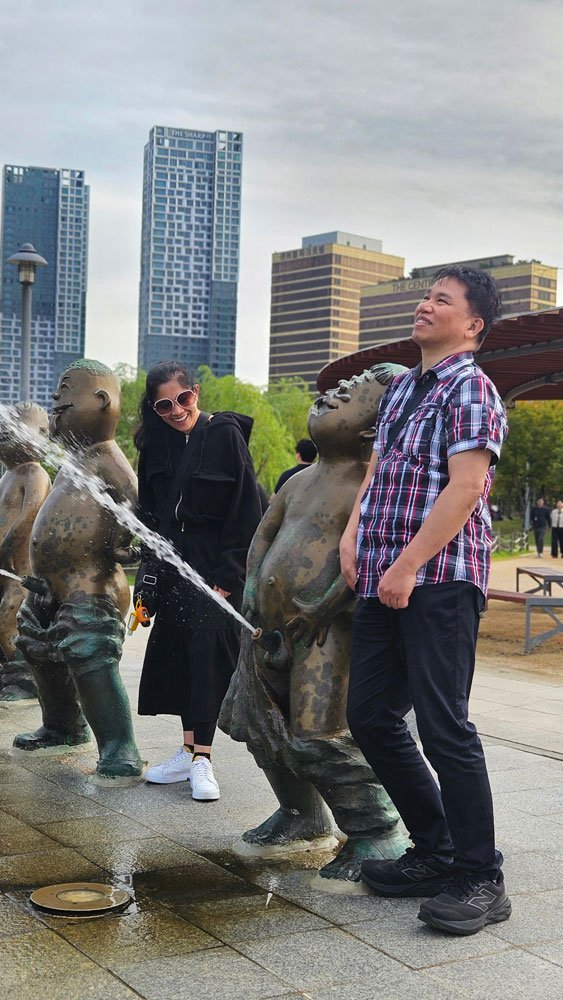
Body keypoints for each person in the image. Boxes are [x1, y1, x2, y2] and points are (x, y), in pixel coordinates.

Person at [340, 265, 510, 936]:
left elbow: (466, 487)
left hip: (438, 579)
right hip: (383, 574)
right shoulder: (406, 387)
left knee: (445, 726)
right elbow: (377, 470)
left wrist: (409, 563)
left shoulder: (471, 388)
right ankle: (435, 849)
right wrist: (354, 536)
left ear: (471, 324)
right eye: (425, 295)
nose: (423, 305)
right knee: (371, 716)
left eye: (440, 300)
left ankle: (479, 876)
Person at [220, 364, 409, 881]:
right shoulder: (300, 480)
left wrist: (323, 606)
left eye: (351, 396)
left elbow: (365, 556)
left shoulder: (372, 484)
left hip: (329, 633)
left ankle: (376, 831)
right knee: (259, 726)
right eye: (335, 390)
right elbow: (264, 534)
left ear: (374, 428)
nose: (334, 393)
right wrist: (254, 585)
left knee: (319, 735)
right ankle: (301, 812)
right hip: (268, 626)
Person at [135, 361, 263, 802]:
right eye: (164, 405)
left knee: (208, 660)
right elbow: (147, 517)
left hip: (214, 569)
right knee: (180, 659)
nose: (176, 410)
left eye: (183, 399)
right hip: (174, 567)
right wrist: (146, 587)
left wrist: (229, 576)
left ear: (197, 393)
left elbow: (247, 511)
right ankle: (188, 752)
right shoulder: (154, 447)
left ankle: (203, 760)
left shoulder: (224, 435)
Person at [14, 360, 143, 780]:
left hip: (91, 584)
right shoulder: (73, 459)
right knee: (35, 644)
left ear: (102, 402)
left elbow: (134, 501)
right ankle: (62, 725)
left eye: (65, 392)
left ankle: (119, 744)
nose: (55, 401)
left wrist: (127, 542)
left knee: (90, 656)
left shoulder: (107, 458)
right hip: (50, 585)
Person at [0, 402, 51, 701]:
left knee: (10, 616)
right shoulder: (7, 475)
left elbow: (31, 513)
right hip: (4, 570)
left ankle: (24, 677)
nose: (4, 433)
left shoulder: (35, 473)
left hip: (21, 571)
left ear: (42, 435)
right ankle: (7, 671)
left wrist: (6, 545)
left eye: (13, 428)